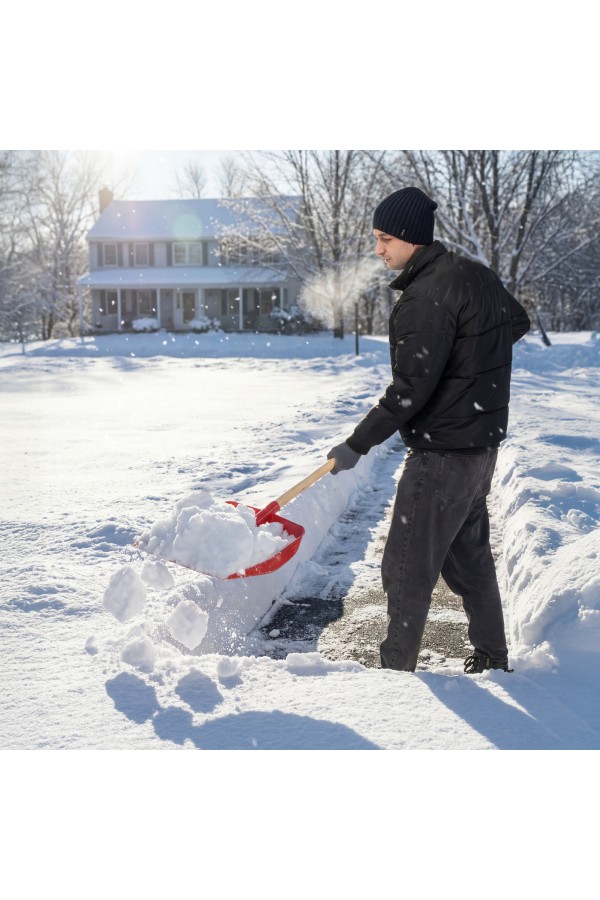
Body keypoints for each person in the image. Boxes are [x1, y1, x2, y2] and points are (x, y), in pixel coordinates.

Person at [327, 186, 530, 674]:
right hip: (479, 449)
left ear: (411, 237)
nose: (378, 250)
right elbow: (516, 322)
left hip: (443, 453)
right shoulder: (474, 274)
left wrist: (357, 444)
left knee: (405, 567)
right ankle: (492, 655)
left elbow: (409, 391)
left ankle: (396, 674)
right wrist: (470, 367)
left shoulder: (424, 297)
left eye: (385, 239)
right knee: (469, 559)